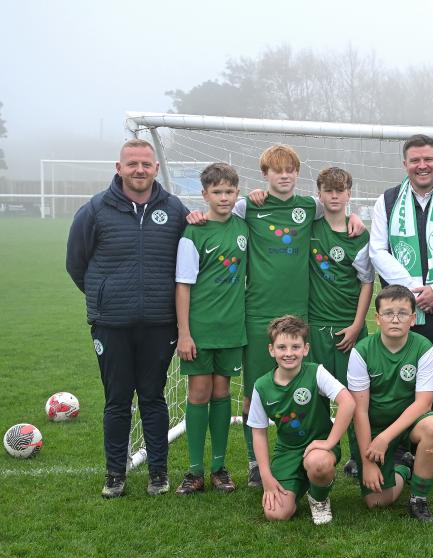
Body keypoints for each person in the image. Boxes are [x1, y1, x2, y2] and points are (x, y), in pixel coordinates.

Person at [66, 138, 189, 498]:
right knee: (117, 399)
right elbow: (76, 264)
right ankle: (115, 475)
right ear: (118, 168)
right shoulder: (95, 210)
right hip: (111, 323)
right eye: (132, 164)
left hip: (159, 322)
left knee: (153, 397)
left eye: (146, 164)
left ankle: (158, 474)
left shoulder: (174, 209)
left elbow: (189, 253)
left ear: (155, 169)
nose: (139, 170)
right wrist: (105, 297)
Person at [368, 135, 433, 485]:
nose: (422, 165)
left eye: (428, 159)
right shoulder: (386, 200)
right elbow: (377, 250)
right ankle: (396, 451)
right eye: (414, 160)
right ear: (405, 164)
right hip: (401, 309)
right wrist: (414, 291)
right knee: (398, 383)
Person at [233, 145, 318, 489]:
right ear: (265, 175)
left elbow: (341, 213)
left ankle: (302, 451)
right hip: (258, 312)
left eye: (290, 170)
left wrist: (355, 218)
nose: (285, 176)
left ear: (297, 173)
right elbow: (216, 212)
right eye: (277, 170)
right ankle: (255, 462)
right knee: (254, 391)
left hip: (299, 311)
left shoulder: (311, 206)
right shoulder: (248, 206)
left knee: (302, 385)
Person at [173, 163, 248, 495]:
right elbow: (184, 285)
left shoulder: (244, 228)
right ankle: (193, 471)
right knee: (198, 394)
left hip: (232, 329)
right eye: (217, 192)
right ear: (204, 194)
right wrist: (185, 333)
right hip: (200, 330)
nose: (224, 197)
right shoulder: (194, 233)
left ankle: (219, 467)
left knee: (222, 394)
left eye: (229, 191)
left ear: (237, 193)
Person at [346, 285, 433, 523]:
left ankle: (418, 499)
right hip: (374, 427)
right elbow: (359, 411)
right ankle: (403, 465)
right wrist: (368, 462)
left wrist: (386, 438)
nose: (395, 319)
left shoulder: (423, 347)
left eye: (402, 313)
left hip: (409, 425)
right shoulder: (362, 351)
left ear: (413, 319)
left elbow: (424, 403)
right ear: (377, 318)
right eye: (388, 313)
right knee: (377, 501)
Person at [249, 315, 356, 524]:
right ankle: (301, 484)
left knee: (318, 464)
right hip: (288, 450)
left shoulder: (316, 372)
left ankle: (319, 498)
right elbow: (259, 433)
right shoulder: (261, 386)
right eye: (282, 347)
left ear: (305, 349)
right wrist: (266, 477)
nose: (289, 353)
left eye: (295, 347)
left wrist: (329, 442)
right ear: (271, 350)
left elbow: (348, 403)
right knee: (276, 514)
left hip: (318, 447)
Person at [308, 167, 374, 479]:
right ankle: (323, 451)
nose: (335, 196)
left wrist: (357, 324)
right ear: (319, 194)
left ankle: (358, 456)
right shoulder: (308, 226)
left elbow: (366, 283)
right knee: (317, 394)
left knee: (356, 395)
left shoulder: (360, 235)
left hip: (349, 327)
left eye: (341, 191)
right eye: (328, 191)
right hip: (315, 327)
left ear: (349, 194)